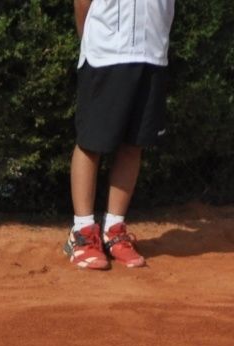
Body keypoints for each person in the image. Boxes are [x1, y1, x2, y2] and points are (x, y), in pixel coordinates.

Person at [64, 0, 175, 270]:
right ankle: (82, 232)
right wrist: (89, 38)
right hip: (105, 52)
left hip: (152, 51)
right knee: (91, 143)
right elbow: (82, 3)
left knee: (134, 144)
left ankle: (114, 230)